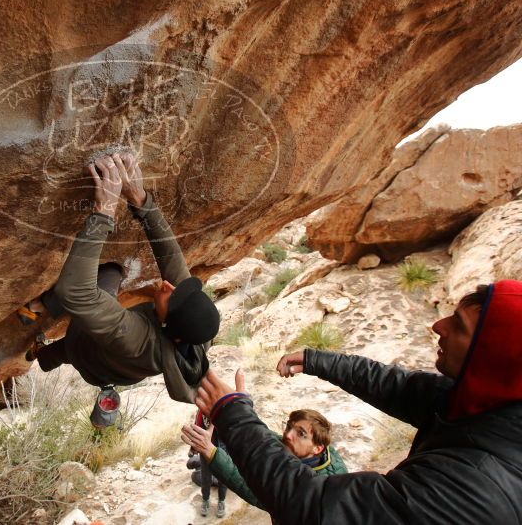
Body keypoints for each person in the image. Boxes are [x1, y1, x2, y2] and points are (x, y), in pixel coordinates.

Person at [193, 280, 522, 524]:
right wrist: (317, 360)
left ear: (493, 358)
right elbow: (400, 387)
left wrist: (232, 412)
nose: (439, 326)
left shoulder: (472, 487)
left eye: (459, 326)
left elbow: (313, 505)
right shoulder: (489, 406)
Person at [23, 149, 220, 404]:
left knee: (109, 272)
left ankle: (40, 308)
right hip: (109, 361)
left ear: (169, 327)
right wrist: (140, 200)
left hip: (91, 351)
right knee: (62, 353)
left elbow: (75, 292)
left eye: (172, 298)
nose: (168, 286)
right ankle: (41, 356)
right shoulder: (196, 329)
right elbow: (171, 258)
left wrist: (104, 211)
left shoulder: (136, 340)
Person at [181, 404, 346, 511]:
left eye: (300, 434)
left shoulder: (313, 486)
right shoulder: (321, 454)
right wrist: (239, 411)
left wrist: (210, 451)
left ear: (318, 448)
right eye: (288, 427)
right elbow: (267, 438)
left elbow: (252, 489)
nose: (288, 435)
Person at [186, 410, 228, 518]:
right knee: (205, 476)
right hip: (205, 447)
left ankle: (221, 501)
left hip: (222, 445)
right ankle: (205, 500)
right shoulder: (201, 412)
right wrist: (193, 447)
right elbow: (198, 426)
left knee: (223, 476)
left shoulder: (222, 407)